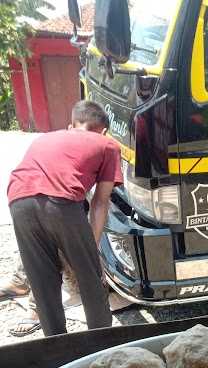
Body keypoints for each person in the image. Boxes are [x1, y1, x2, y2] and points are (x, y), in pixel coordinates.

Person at [7, 100, 122, 337]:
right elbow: (100, 201)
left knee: (43, 282)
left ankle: (57, 348)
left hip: (18, 200)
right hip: (61, 203)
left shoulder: (45, 138)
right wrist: (92, 246)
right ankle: (102, 347)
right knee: (90, 279)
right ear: (102, 129)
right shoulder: (107, 144)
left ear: (72, 125)